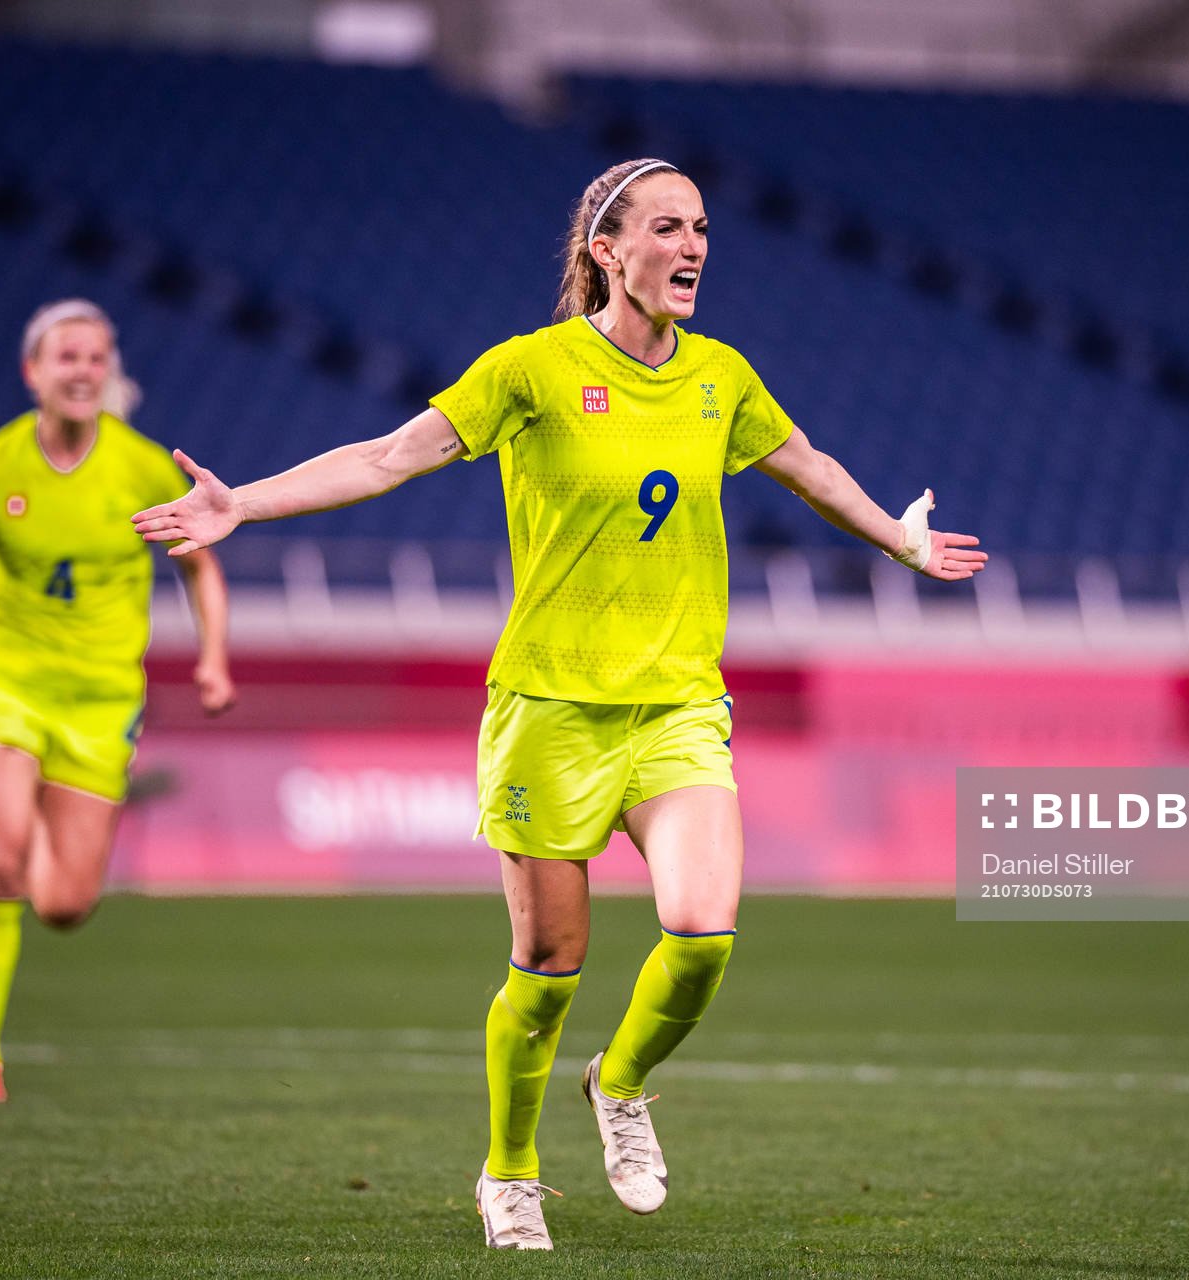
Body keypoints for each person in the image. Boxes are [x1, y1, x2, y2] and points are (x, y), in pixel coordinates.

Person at [131, 157, 986, 1248]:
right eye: (668, 228)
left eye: (703, 229)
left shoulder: (722, 377)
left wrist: (901, 537)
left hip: (675, 706)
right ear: (606, 250)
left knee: (705, 935)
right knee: (546, 973)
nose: (693, 248)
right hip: (549, 710)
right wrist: (240, 504)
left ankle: (619, 1083)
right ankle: (510, 1171)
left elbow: (809, 466)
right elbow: (391, 458)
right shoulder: (531, 370)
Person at [0, 299, 236, 1105]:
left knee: (66, 904)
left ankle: (31, 800)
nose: (83, 371)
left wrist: (212, 658)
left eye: (97, 358)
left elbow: (199, 564)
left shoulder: (143, 467)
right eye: (67, 357)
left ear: (110, 373)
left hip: (102, 702)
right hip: (2, 681)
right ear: (33, 371)